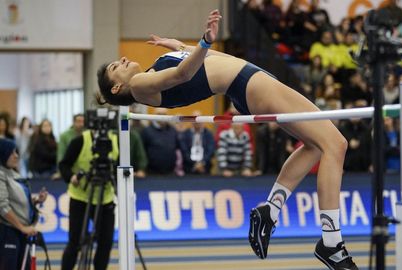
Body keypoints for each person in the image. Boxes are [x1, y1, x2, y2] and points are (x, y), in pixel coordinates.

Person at [96, 10, 356, 269]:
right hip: (247, 83)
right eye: (115, 67)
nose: (122, 59)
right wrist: (203, 42)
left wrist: (180, 46)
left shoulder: (152, 72)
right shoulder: (140, 84)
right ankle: (331, 243)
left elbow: (203, 62)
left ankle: (270, 210)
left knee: (314, 146)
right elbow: (182, 75)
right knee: (336, 144)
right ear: (117, 87)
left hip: (249, 80)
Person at [59, 129, 118, 270]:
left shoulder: (116, 140)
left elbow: (121, 166)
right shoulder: (79, 141)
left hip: (105, 198)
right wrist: (71, 177)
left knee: (105, 242)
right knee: (75, 242)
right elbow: (64, 164)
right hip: (81, 198)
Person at [0, 138, 48, 269]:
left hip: (21, 232)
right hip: (7, 232)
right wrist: (22, 227)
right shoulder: (1, 174)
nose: (16, 156)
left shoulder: (13, 173)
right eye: (12, 153)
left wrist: (36, 201)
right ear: (3, 154)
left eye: (16, 152)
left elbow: (15, 201)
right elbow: (2, 207)